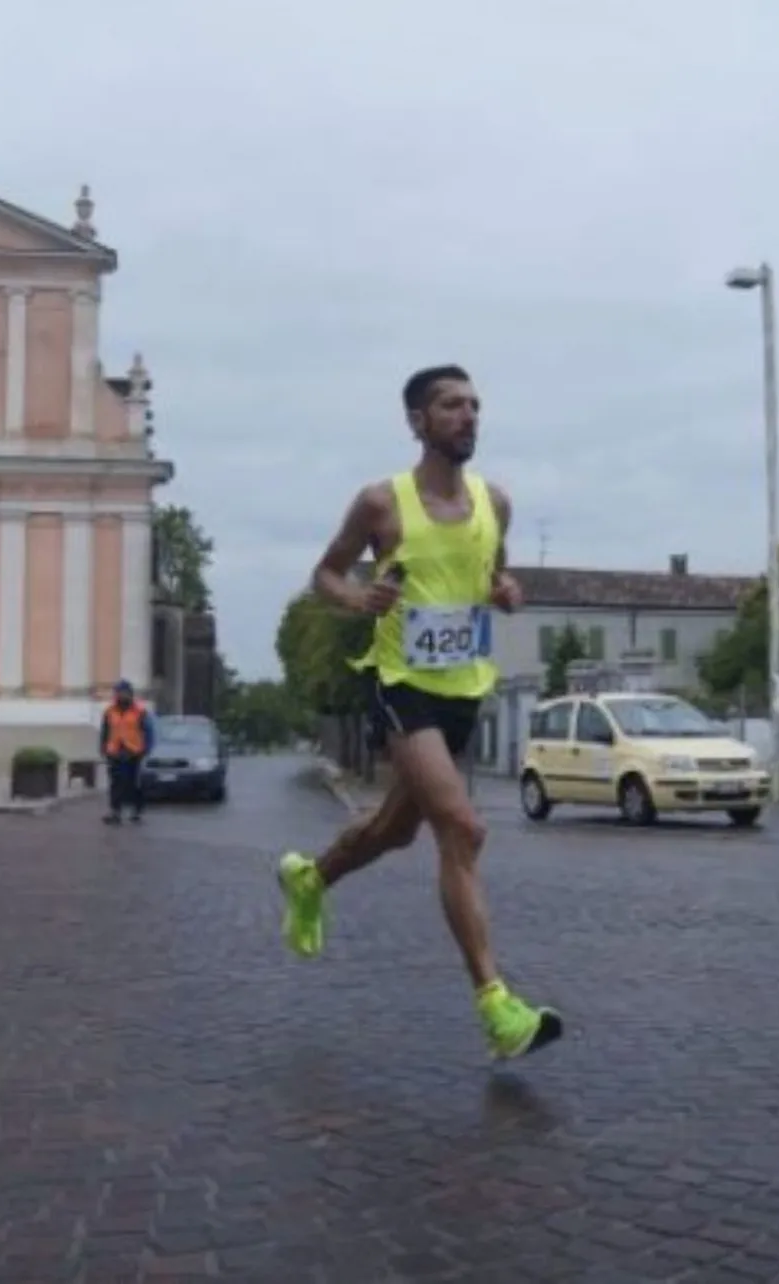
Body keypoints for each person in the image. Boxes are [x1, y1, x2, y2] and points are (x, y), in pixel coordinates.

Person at [275, 363, 562, 1062]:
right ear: (418, 421)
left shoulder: (496, 502)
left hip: (465, 688)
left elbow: (491, 572)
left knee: (393, 832)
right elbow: (327, 572)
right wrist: (355, 599)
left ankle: (311, 877)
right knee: (461, 828)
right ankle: (498, 1009)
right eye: (451, 406)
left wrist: (505, 590)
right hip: (400, 681)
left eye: (474, 406)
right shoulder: (382, 503)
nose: (468, 416)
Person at [100, 679, 154, 825]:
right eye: (118, 692)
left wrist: (146, 749)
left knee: (133, 783)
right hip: (115, 751)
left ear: (130, 694)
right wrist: (103, 748)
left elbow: (148, 731)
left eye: (124, 693)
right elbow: (105, 731)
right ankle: (115, 812)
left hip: (133, 751)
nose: (121, 695)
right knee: (115, 783)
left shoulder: (140, 712)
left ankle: (136, 811)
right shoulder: (109, 711)